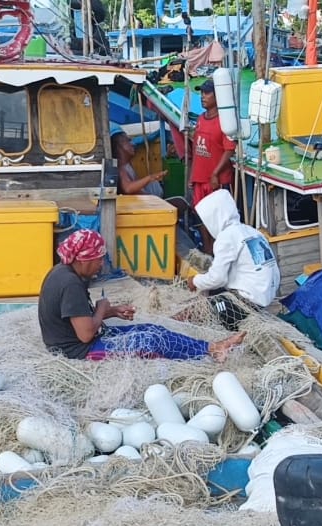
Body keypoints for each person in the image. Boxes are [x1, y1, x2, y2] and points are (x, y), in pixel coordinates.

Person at [39, 229, 246, 361]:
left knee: (152, 329)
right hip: (80, 351)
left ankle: (211, 347)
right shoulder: (70, 284)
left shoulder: (64, 272)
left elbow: (77, 318)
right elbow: (85, 334)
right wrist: (102, 308)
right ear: (84, 259)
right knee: (151, 341)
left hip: (83, 341)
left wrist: (112, 311)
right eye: (98, 259)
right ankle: (210, 351)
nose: (101, 264)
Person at [186, 189, 280, 330]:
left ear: (214, 217)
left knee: (199, 313)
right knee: (212, 291)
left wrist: (195, 281)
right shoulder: (251, 231)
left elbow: (217, 279)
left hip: (249, 301)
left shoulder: (226, 237)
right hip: (266, 295)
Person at [189, 79, 237, 255]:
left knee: (218, 220)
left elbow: (229, 149)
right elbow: (196, 149)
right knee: (202, 217)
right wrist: (192, 175)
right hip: (200, 178)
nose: (203, 96)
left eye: (207, 93)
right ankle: (208, 251)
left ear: (218, 96)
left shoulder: (224, 122)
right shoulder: (200, 119)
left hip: (215, 180)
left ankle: (219, 253)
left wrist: (216, 173)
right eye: (202, 93)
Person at [111, 130, 167, 196]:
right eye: (128, 141)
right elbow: (127, 188)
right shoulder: (120, 167)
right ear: (119, 146)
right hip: (140, 200)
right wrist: (150, 178)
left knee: (155, 185)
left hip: (145, 196)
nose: (132, 144)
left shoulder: (127, 163)